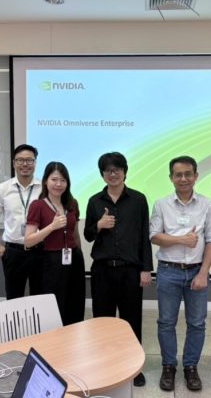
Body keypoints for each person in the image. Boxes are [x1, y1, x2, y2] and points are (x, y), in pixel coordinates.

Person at [150, 156, 211, 392]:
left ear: (196, 176)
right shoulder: (161, 204)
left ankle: (191, 367)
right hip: (168, 271)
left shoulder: (208, 205)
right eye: (178, 175)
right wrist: (182, 240)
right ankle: (168, 366)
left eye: (188, 174)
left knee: (197, 323)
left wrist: (204, 273)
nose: (183, 179)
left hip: (197, 271)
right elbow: (154, 236)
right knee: (166, 322)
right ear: (171, 178)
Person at [84, 152, 153, 387]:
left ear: (124, 171)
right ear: (102, 174)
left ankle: (134, 368)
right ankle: (105, 367)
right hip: (102, 270)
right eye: (108, 170)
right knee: (102, 321)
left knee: (131, 321)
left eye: (117, 169)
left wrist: (146, 269)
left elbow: (144, 236)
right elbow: (87, 235)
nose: (112, 174)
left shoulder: (138, 199)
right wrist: (98, 225)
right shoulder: (95, 201)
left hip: (130, 271)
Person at [24, 162, 85, 325]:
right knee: (52, 309)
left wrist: (79, 254)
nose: (58, 184)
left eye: (63, 180)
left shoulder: (72, 204)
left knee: (74, 304)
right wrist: (52, 226)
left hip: (73, 260)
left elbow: (75, 234)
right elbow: (28, 241)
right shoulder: (38, 205)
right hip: (49, 263)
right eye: (54, 179)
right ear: (45, 181)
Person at [0, 144, 42, 299]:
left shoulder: (43, 188)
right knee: (13, 296)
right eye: (20, 160)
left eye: (29, 160)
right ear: (13, 163)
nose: (25, 164)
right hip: (13, 251)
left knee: (40, 295)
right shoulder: (3, 188)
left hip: (39, 250)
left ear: (35, 163)